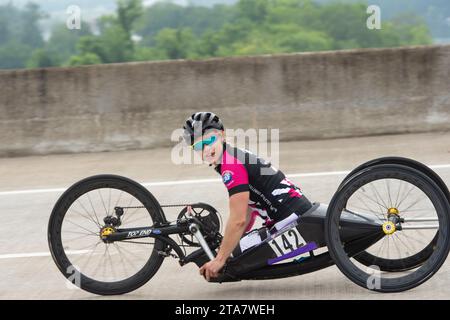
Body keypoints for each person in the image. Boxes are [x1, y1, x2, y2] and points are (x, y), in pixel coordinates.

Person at [182, 112, 313, 281]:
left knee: (229, 264)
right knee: (228, 251)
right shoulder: (232, 154)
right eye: (199, 147)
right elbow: (248, 213)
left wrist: (220, 259)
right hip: (294, 214)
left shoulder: (231, 166)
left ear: (222, 135)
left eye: (209, 140)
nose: (207, 149)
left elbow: (238, 220)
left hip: (293, 222)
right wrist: (228, 247)